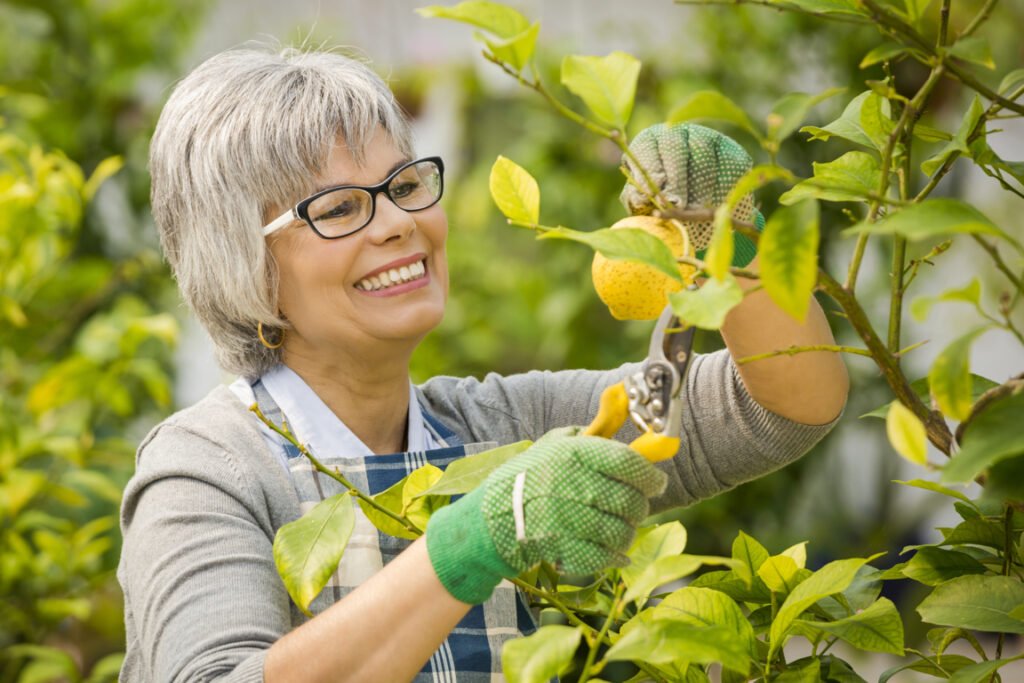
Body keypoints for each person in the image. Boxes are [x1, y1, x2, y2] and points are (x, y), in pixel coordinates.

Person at [117, 45, 849, 682]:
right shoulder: (207, 472)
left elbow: (785, 404)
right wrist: (478, 538)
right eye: (341, 209)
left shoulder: (498, 425)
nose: (400, 223)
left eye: (404, 187)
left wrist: (733, 236)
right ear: (240, 259)